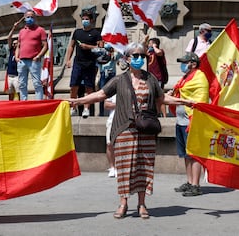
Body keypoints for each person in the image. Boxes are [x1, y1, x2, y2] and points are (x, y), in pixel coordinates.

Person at [68, 42, 193, 219]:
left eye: (142, 56)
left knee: (145, 166)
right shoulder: (120, 80)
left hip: (146, 129)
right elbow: (101, 94)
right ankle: (123, 203)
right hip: (125, 129)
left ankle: (142, 204)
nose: (139, 59)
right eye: (135, 56)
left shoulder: (151, 79)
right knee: (125, 167)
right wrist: (78, 101)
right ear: (127, 58)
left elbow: (162, 97)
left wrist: (184, 102)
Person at [170, 52, 209, 196]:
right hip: (181, 120)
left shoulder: (200, 77)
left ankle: (196, 185)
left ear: (193, 64)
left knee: (194, 153)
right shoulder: (185, 78)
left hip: (192, 120)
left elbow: (199, 99)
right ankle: (189, 181)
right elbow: (179, 91)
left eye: (184, 62)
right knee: (185, 154)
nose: (182, 64)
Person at [65, 9, 103, 118]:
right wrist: (68, 59)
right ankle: (73, 107)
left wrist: (88, 47)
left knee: (89, 87)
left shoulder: (96, 33)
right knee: (74, 86)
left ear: (91, 20)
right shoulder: (77, 32)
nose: (85, 21)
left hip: (90, 63)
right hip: (78, 62)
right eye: (83, 19)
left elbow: (100, 48)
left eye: (87, 19)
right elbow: (71, 46)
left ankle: (86, 109)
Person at [15, 10, 47, 100]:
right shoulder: (21, 31)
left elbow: (45, 46)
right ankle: (23, 102)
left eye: (32, 17)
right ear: (24, 18)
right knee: (21, 84)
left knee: (37, 83)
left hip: (34, 61)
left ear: (35, 18)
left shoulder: (40, 30)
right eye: (28, 17)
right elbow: (18, 45)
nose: (30, 19)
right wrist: (17, 57)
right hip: (22, 61)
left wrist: (38, 56)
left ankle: (38, 102)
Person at [144, 36, 169, 117]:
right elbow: (142, 50)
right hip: (150, 77)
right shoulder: (149, 53)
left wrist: (154, 46)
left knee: (160, 97)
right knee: (152, 97)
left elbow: (158, 53)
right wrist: (145, 41)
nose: (149, 45)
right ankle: (157, 113)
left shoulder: (160, 51)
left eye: (150, 43)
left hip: (158, 78)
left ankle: (164, 115)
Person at [97, 43, 121, 116]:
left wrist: (116, 48)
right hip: (103, 74)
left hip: (111, 74)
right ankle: (101, 112)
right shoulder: (101, 54)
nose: (108, 51)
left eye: (109, 49)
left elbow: (120, 53)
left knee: (113, 93)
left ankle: (112, 112)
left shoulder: (114, 55)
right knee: (102, 93)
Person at [6, 19, 22, 100]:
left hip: (17, 75)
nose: (14, 45)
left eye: (16, 43)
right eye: (13, 44)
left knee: (18, 92)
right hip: (9, 75)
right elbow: (9, 37)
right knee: (10, 92)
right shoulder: (11, 50)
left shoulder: (21, 51)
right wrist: (14, 28)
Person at [104, 94, 117, 177]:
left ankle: (120, 167)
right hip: (112, 121)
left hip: (127, 121)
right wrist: (119, 105)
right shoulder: (113, 90)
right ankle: (112, 167)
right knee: (109, 144)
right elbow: (106, 105)